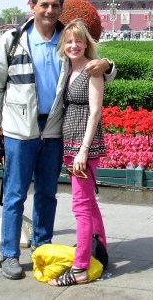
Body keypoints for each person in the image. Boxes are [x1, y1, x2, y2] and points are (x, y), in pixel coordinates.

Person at [0, 0, 115, 280]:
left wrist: (108, 65)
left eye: (55, 5)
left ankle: (41, 247)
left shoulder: (66, 38)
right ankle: (9, 254)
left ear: (61, 8)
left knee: (47, 194)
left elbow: (93, 63)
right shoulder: (13, 40)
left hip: (54, 130)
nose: (49, 10)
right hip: (20, 129)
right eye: (44, 4)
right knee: (15, 194)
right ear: (32, 6)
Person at [48, 19, 108, 286]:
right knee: (88, 203)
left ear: (87, 43)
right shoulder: (66, 69)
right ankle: (101, 251)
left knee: (80, 206)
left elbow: (95, 111)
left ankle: (80, 267)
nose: (74, 45)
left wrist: (83, 150)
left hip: (85, 145)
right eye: (69, 41)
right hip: (70, 143)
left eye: (78, 41)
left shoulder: (92, 70)